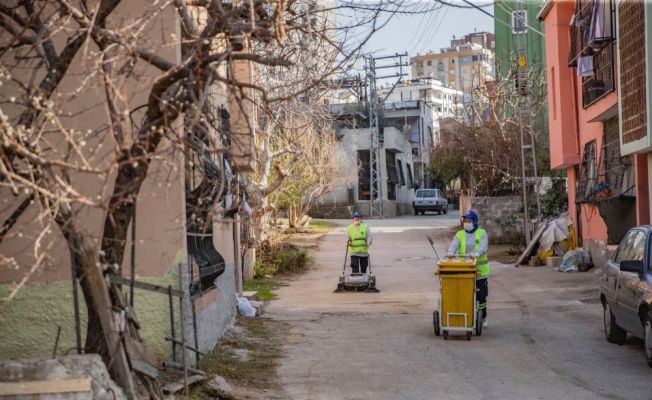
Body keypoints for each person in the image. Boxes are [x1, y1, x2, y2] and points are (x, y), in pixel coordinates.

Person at [446, 210, 490, 327]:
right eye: (465, 221)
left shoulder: (482, 233)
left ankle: (483, 316)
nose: (467, 223)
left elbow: (483, 246)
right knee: (464, 294)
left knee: (481, 297)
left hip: (480, 272)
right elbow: (454, 244)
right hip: (464, 271)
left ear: (474, 222)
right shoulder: (459, 234)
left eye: (469, 221)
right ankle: (466, 316)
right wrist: (450, 252)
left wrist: (477, 253)